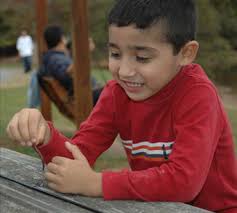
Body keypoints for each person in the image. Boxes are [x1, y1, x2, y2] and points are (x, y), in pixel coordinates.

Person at [6, 1, 237, 212]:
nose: (124, 71)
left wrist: (97, 183)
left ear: (186, 53)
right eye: (115, 53)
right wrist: (44, 135)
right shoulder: (117, 94)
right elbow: (77, 157)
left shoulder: (198, 95)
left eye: (142, 58)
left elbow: (184, 181)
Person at [39, 25, 102, 104]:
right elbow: (65, 74)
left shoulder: (56, 56)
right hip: (85, 97)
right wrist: (84, 52)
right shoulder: (54, 59)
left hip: (88, 93)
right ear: (61, 39)